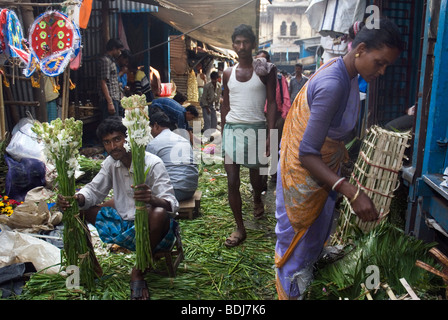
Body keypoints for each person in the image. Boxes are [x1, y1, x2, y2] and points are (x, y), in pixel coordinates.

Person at [274, 18, 404, 300]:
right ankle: (290, 294)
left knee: (313, 240)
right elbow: (307, 154)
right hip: (306, 176)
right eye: (379, 62)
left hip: (323, 173)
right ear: (360, 50)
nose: (381, 71)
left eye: (386, 66)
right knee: (298, 247)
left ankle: (303, 286)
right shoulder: (334, 83)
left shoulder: (348, 75)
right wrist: (352, 192)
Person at [57, 116, 179, 300]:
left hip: (153, 232)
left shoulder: (152, 163)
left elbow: (172, 204)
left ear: (128, 138)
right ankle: (91, 266)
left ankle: (138, 271)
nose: (113, 146)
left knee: (159, 212)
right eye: (107, 142)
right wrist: (77, 198)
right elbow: (94, 190)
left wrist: (152, 199)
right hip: (124, 226)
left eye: (117, 139)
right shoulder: (110, 163)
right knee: (78, 210)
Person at [221, 24, 277, 248]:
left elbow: (272, 103)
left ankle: (256, 197)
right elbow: (225, 104)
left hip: (256, 129)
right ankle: (240, 228)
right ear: (233, 45)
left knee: (256, 178)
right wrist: (224, 131)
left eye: (246, 42)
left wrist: (271, 134)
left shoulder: (265, 71)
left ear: (253, 44)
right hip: (233, 130)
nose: (242, 46)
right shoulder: (227, 73)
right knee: (232, 181)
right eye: (238, 42)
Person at [147, 112, 198, 202]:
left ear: (155, 125)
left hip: (174, 191)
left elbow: (147, 169)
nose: (150, 132)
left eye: (150, 128)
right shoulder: (182, 139)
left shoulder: (154, 143)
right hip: (191, 189)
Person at [98, 38, 124, 119]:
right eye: (119, 50)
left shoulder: (111, 61)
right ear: (114, 49)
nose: (120, 53)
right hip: (109, 99)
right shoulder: (105, 61)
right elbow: (103, 82)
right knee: (110, 125)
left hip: (114, 98)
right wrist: (110, 102)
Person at [200, 71, 222, 139]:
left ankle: (212, 135)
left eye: (215, 79)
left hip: (212, 105)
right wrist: (207, 108)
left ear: (217, 79)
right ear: (211, 79)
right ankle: (206, 137)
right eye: (213, 79)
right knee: (207, 121)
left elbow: (218, 97)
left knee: (214, 121)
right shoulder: (207, 86)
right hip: (205, 105)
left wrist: (217, 106)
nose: (214, 81)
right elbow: (203, 98)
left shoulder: (219, 86)